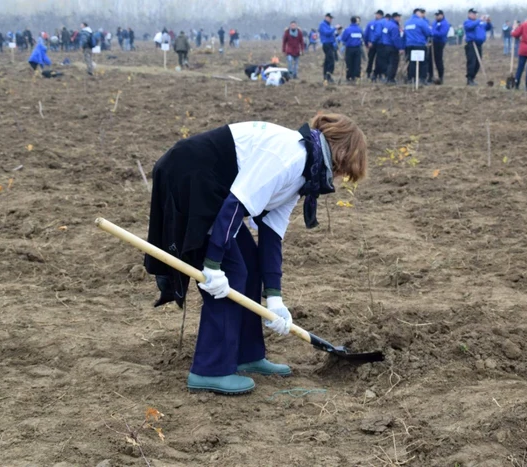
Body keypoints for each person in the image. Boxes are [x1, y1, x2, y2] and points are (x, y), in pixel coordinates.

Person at [144, 114, 367, 395]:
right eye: (343, 172)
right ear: (340, 155)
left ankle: (246, 354)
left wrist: (275, 298)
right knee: (233, 272)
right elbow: (236, 206)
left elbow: (271, 237)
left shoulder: (303, 173)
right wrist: (212, 267)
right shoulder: (290, 157)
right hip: (191, 176)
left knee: (248, 263)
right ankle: (210, 370)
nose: (338, 179)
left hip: (216, 189)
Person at [463, 9, 492, 86]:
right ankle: (469, 79)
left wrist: (488, 22)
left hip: (479, 44)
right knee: (472, 62)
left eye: (476, 14)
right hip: (471, 44)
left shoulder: (480, 23)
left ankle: (472, 78)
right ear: (469, 14)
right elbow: (470, 27)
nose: (475, 15)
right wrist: (479, 20)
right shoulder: (467, 22)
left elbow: (488, 28)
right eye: (473, 14)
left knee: (477, 63)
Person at [404, 8, 432, 86]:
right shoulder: (421, 22)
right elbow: (428, 32)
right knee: (423, 62)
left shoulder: (407, 22)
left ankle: (411, 78)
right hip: (419, 45)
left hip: (409, 45)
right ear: (418, 13)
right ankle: (422, 79)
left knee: (412, 62)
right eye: (421, 13)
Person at [341, 16, 363, 82]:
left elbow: (343, 39)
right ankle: (357, 77)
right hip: (358, 48)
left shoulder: (347, 29)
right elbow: (363, 37)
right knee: (357, 63)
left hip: (349, 49)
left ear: (350, 21)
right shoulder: (360, 29)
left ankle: (349, 77)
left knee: (349, 63)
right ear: (356, 21)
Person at [431, 10, 451, 83]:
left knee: (438, 59)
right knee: (432, 59)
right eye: (436, 15)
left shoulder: (445, 23)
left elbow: (442, 33)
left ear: (442, 15)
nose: (436, 16)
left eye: (438, 15)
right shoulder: (434, 23)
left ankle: (440, 76)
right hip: (433, 42)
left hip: (440, 42)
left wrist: (432, 32)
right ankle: (431, 76)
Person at [364, 10, 384, 79]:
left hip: (380, 44)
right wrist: (366, 43)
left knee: (379, 60)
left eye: (378, 15)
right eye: (376, 14)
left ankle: (378, 73)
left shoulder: (383, 23)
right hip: (371, 44)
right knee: (370, 59)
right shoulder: (371, 23)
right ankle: (368, 73)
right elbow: (366, 33)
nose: (376, 16)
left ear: (381, 15)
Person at [319, 13, 336, 82]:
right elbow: (327, 33)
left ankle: (326, 76)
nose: (331, 20)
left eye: (331, 18)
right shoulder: (322, 24)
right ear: (326, 17)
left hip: (331, 44)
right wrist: (334, 28)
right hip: (326, 44)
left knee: (327, 61)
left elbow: (331, 35)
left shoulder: (329, 26)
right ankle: (328, 76)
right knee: (331, 61)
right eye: (330, 18)